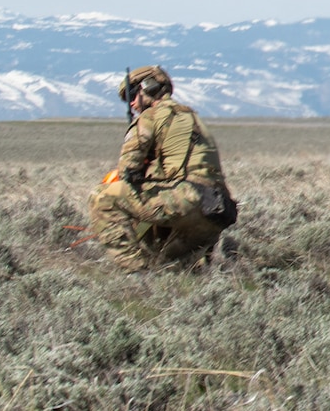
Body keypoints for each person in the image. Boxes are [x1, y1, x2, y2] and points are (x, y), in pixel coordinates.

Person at [89, 66, 237, 272]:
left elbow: (127, 169)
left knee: (103, 197)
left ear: (147, 88)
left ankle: (136, 274)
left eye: (132, 95)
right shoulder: (192, 117)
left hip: (186, 200)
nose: (131, 104)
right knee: (168, 265)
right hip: (218, 210)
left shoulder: (151, 116)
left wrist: (139, 169)